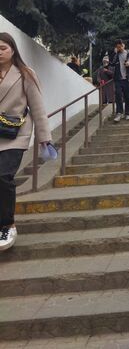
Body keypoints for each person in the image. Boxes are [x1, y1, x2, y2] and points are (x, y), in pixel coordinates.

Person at [0, 32, 52, 251]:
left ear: (13, 50)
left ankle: (7, 225)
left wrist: (44, 138)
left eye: (3, 48)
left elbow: (37, 107)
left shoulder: (25, 73)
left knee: (3, 175)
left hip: (15, 134)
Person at [109, 39, 129, 122]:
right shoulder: (115, 55)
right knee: (118, 96)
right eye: (118, 47)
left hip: (128, 79)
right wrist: (114, 53)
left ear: (124, 45)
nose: (120, 48)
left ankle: (127, 114)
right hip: (118, 79)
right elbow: (111, 64)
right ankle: (119, 113)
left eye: (121, 46)